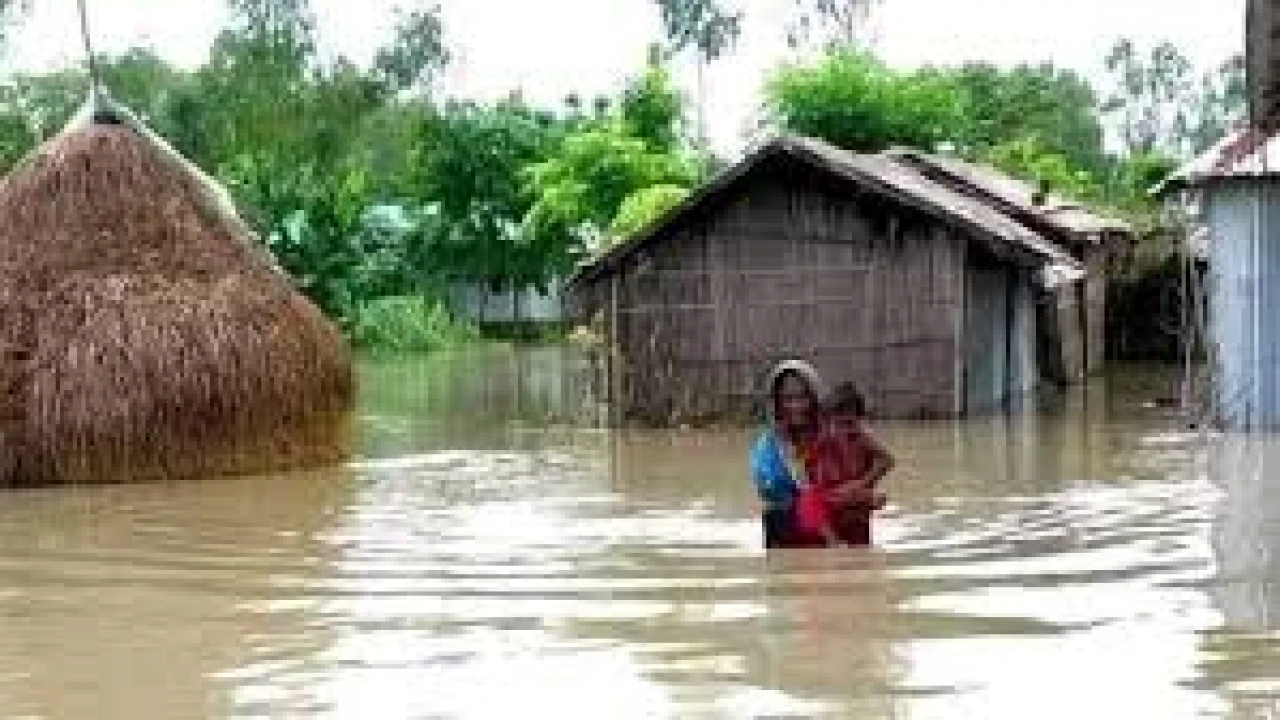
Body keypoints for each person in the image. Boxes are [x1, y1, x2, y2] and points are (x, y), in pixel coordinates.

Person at [749, 360, 828, 549]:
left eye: (803, 397)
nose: (796, 406)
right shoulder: (768, 446)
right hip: (788, 526)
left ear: (815, 399)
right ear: (777, 403)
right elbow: (769, 491)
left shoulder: (833, 435)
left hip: (833, 519)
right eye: (787, 399)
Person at [811, 382, 894, 547]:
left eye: (850, 423)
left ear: (859, 420)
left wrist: (862, 484)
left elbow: (888, 460)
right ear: (828, 421)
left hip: (858, 518)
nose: (845, 430)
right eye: (839, 424)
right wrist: (851, 494)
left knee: (861, 550)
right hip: (833, 515)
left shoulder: (863, 439)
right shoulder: (823, 444)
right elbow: (817, 490)